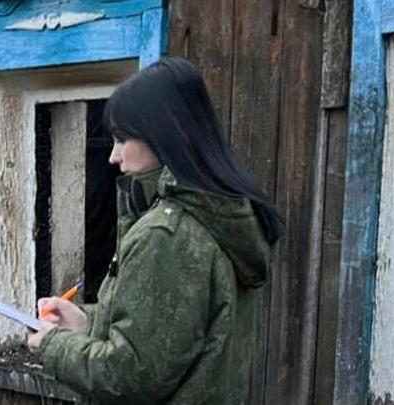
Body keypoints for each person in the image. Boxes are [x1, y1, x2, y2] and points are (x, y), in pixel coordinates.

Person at [27, 57, 282, 404]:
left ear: (161, 136)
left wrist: (54, 345)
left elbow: (131, 375)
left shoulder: (166, 235)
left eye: (121, 139)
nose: (113, 156)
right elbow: (166, 336)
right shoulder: (216, 216)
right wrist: (86, 320)